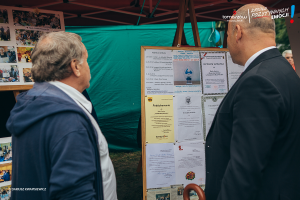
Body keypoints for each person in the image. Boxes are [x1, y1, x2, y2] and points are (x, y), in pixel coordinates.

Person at [6, 32, 117, 200]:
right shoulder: (68, 119)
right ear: (75, 67)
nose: (88, 66)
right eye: (86, 60)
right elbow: (75, 194)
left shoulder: (33, 103)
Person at [205, 4, 300, 200]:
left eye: (227, 35)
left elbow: (245, 170)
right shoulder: (285, 71)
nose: (227, 41)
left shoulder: (258, 82)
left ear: (237, 32)